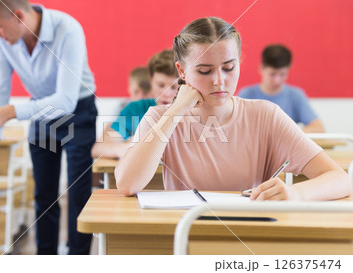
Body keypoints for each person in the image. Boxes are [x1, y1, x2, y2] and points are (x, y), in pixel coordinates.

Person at [115, 17, 351, 201]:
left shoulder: (265, 115)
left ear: (239, 62)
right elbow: (127, 184)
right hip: (184, 237)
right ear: (182, 70)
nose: (219, 81)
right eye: (204, 71)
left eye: (228, 68)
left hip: (251, 238)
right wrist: (176, 110)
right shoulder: (158, 117)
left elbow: (340, 179)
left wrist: (296, 194)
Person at [0, 0, 97, 255]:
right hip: (40, 113)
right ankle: (45, 257)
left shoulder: (67, 29)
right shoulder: (1, 38)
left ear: (18, 16)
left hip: (78, 112)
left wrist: (9, 113)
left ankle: (79, 258)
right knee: (44, 195)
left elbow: (65, 101)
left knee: (78, 193)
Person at [91, 50, 179, 158]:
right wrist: (128, 149)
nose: (166, 93)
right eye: (160, 85)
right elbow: (99, 148)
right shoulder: (136, 109)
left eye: (174, 87)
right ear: (151, 81)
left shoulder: (195, 110)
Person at [238, 44, 324, 133]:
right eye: (272, 74)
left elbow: (319, 128)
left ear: (289, 70)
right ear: (261, 68)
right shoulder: (246, 95)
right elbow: (236, 128)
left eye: (282, 74)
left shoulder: (295, 95)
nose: (277, 80)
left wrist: (288, 133)